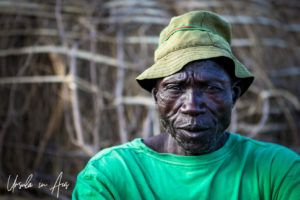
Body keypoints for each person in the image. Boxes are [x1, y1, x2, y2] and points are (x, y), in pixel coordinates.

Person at [72, 11, 300, 200]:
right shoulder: (110, 176)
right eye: (175, 88)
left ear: (234, 95)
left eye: (211, 88)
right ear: (156, 96)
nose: (191, 106)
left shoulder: (277, 171)